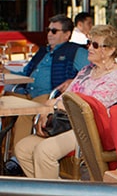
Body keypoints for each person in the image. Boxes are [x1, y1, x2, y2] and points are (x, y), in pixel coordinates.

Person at [14, 25, 117, 196]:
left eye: (94, 44)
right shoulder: (86, 71)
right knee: (23, 148)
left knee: (44, 150)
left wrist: (54, 106)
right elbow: (64, 97)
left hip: (89, 129)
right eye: (88, 43)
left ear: (110, 50)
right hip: (67, 124)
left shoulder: (116, 79)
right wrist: (46, 109)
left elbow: (85, 108)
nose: (89, 48)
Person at [9, 15, 90, 151]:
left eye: (54, 31)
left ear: (66, 34)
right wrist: (6, 70)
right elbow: (25, 75)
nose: (49, 34)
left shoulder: (75, 51)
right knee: (3, 102)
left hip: (49, 96)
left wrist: (73, 81)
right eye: (48, 30)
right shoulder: (43, 51)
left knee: (25, 112)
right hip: (27, 92)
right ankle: (4, 152)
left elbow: (92, 72)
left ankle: (15, 160)